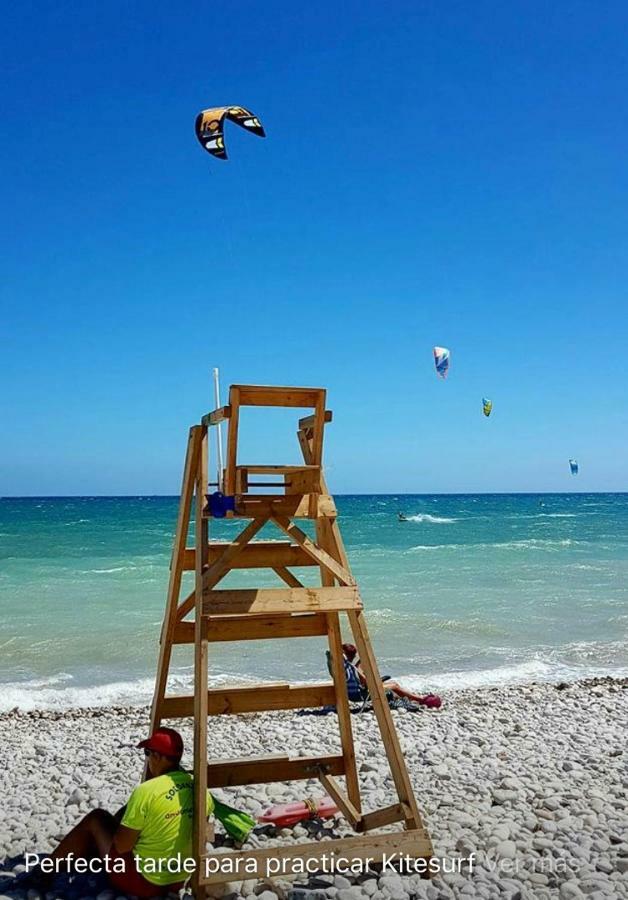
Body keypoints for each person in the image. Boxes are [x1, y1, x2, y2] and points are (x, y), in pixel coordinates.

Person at [21, 727, 252, 898]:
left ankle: (45, 872)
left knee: (97, 818)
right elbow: (201, 833)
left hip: (144, 882)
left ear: (159, 757)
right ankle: (81, 854)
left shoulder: (147, 791)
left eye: (148, 753)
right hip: (179, 878)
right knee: (124, 815)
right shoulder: (199, 789)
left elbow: (122, 846)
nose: (147, 759)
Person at [341, 643, 442, 709]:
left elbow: (358, 677)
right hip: (361, 694)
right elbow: (367, 684)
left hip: (354, 692)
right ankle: (420, 699)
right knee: (394, 685)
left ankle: (408, 699)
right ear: (353, 655)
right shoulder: (353, 669)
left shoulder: (345, 667)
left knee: (393, 686)